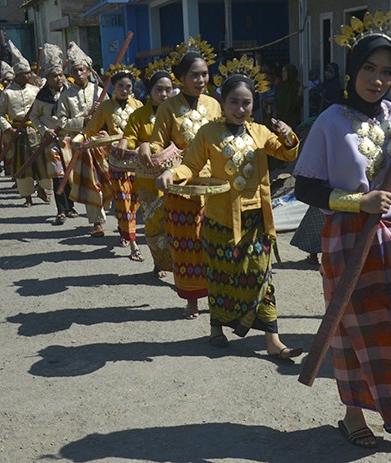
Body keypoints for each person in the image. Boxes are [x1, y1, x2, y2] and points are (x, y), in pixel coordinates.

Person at [294, 9, 391, 451]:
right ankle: (353, 414)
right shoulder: (330, 121)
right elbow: (305, 187)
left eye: (386, 71)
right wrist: (354, 202)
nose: (377, 79)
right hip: (348, 239)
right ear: (352, 69)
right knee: (353, 330)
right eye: (369, 68)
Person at [159, 54, 302, 357]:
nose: (240, 109)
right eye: (234, 102)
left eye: (246, 103)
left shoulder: (260, 132)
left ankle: (272, 340)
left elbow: (286, 154)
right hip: (220, 219)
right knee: (220, 275)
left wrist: (289, 137)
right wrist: (172, 173)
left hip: (256, 221)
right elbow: (191, 166)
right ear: (223, 103)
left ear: (254, 104)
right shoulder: (208, 132)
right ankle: (216, 327)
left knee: (262, 276)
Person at [146, 36, 222, 319]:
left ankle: (217, 295)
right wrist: (148, 151)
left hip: (214, 185)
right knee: (187, 245)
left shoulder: (215, 105)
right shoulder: (168, 108)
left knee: (213, 242)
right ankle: (191, 299)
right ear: (181, 77)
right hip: (180, 186)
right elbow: (157, 142)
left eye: (204, 74)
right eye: (194, 75)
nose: (201, 79)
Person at [78, 64, 143, 257]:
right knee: (123, 203)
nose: (125, 90)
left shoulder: (139, 106)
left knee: (135, 204)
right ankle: (134, 245)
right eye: (121, 86)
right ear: (113, 87)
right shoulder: (105, 107)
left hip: (138, 162)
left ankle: (125, 231)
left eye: (129, 87)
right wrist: (78, 140)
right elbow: (89, 129)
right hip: (116, 162)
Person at [123, 59, 175, 273]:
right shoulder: (138, 116)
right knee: (153, 223)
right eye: (159, 90)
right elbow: (130, 138)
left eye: (168, 90)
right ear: (150, 90)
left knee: (175, 223)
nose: (164, 94)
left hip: (176, 177)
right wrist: (126, 146)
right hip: (148, 180)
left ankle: (180, 264)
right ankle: (159, 262)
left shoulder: (177, 114)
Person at [57, 41, 107, 237]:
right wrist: (84, 119)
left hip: (102, 141)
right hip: (80, 144)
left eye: (82, 70)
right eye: (75, 70)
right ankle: (97, 221)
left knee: (111, 181)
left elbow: (110, 115)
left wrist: (100, 114)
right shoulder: (66, 95)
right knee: (91, 183)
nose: (79, 74)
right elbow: (62, 121)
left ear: (89, 71)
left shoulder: (99, 91)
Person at [30, 43, 77, 224]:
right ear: (47, 78)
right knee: (58, 175)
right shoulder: (41, 97)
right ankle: (61, 209)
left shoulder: (71, 92)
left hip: (70, 138)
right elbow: (35, 117)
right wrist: (44, 130)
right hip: (52, 140)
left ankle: (71, 206)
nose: (58, 78)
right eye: (54, 76)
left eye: (60, 75)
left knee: (71, 173)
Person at [0, 41, 44, 207]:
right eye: (26, 74)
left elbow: (42, 110)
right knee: (22, 164)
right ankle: (27, 196)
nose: (29, 76)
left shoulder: (35, 90)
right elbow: (0, 114)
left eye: (30, 73)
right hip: (18, 131)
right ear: (18, 75)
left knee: (41, 160)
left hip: (36, 130)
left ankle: (44, 189)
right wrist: (8, 128)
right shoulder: (7, 93)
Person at [275, 64, 302, 129]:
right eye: (282, 72)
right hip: (280, 116)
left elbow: (297, 103)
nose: (283, 74)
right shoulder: (280, 86)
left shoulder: (296, 85)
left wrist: (299, 93)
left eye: (285, 71)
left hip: (292, 117)